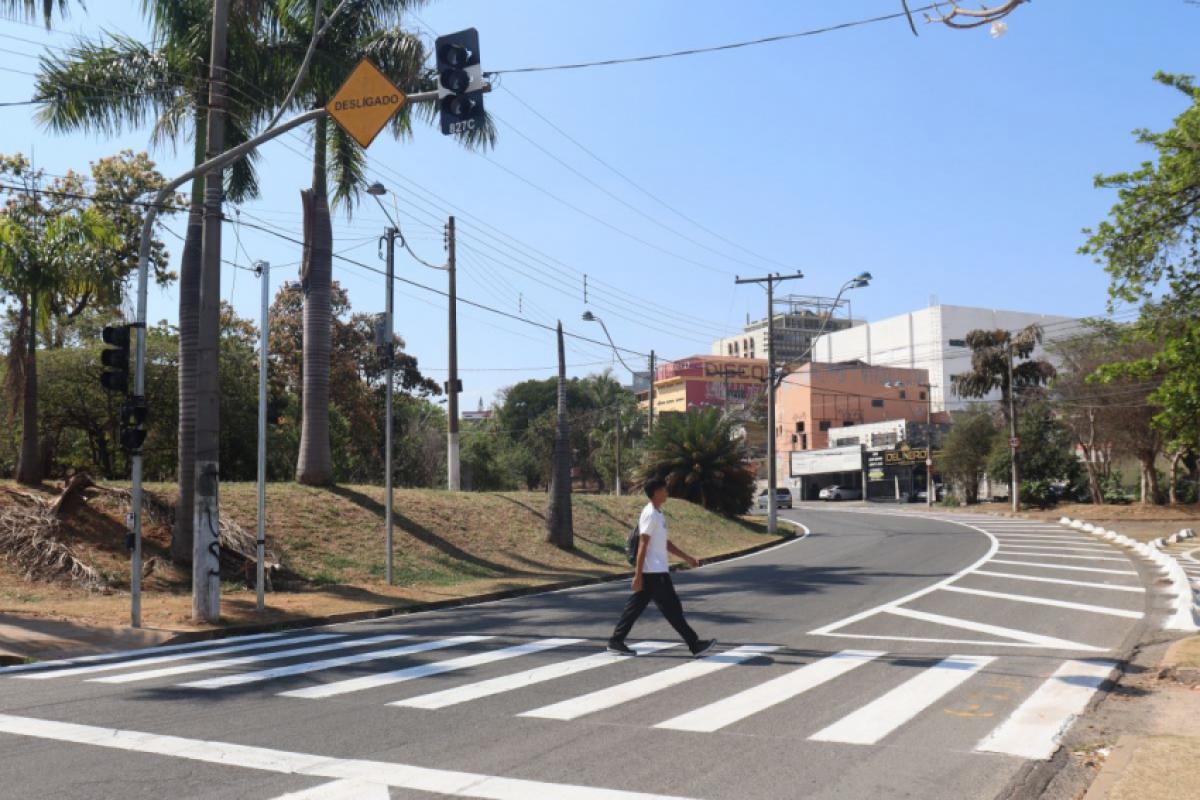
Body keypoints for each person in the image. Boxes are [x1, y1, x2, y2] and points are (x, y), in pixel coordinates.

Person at [607, 478, 716, 658]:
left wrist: (687, 558)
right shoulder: (650, 513)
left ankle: (616, 640)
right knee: (672, 609)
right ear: (656, 492)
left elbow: (664, 543)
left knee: (636, 608)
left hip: (655, 571)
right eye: (664, 489)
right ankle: (694, 644)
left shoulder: (658, 513)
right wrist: (638, 575)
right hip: (653, 572)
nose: (667, 491)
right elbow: (643, 544)